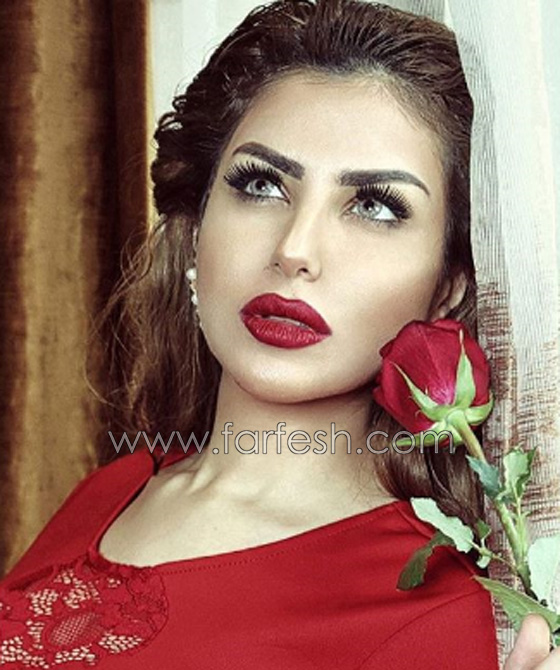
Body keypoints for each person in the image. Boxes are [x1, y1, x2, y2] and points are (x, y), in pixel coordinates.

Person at [0, 1, 557, 668]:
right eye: (262, 185)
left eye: (374, 206)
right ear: (198, 224)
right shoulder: (112, 491)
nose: (295, 249)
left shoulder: (431, 612)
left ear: (450, 286)